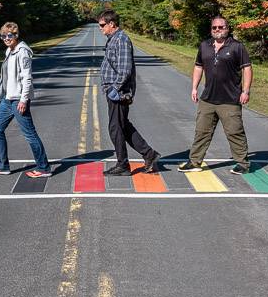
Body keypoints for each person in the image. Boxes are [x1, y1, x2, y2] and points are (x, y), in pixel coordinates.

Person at [177, 16, 252, 175]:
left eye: (221, 27)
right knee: (201, 132)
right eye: (214, 28)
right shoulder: (205, 46)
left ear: (227, 28)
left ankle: (243, 164)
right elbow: (198, 67)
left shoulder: (237, 47)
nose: (217, 30)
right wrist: (194, 88)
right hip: (208, 98)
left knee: (234, 132)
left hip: (230, 99)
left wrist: (245, 91)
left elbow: (247, 69)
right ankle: (195, 161)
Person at [98, 9, 160, 175]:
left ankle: (123, 164)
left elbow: (125, 69)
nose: (100, 28)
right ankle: (149, 154)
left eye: (103, 25)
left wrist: (114, 88)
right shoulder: (113, 39)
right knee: (123, 126)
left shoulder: (121, 40)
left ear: (112, 24)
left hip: (119, 92)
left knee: (115, 128)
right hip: (114, 90)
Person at [0, 22, 52, 178]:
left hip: (18, 100)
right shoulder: (9, 51)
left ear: (16, 35)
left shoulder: (22, 52)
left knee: (29, 134)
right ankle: (2, 166)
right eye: (3, 36)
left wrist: (23, 100)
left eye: (9, 35)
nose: (6, 38)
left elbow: (27, 78)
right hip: (7, 99)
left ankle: (44, 168)